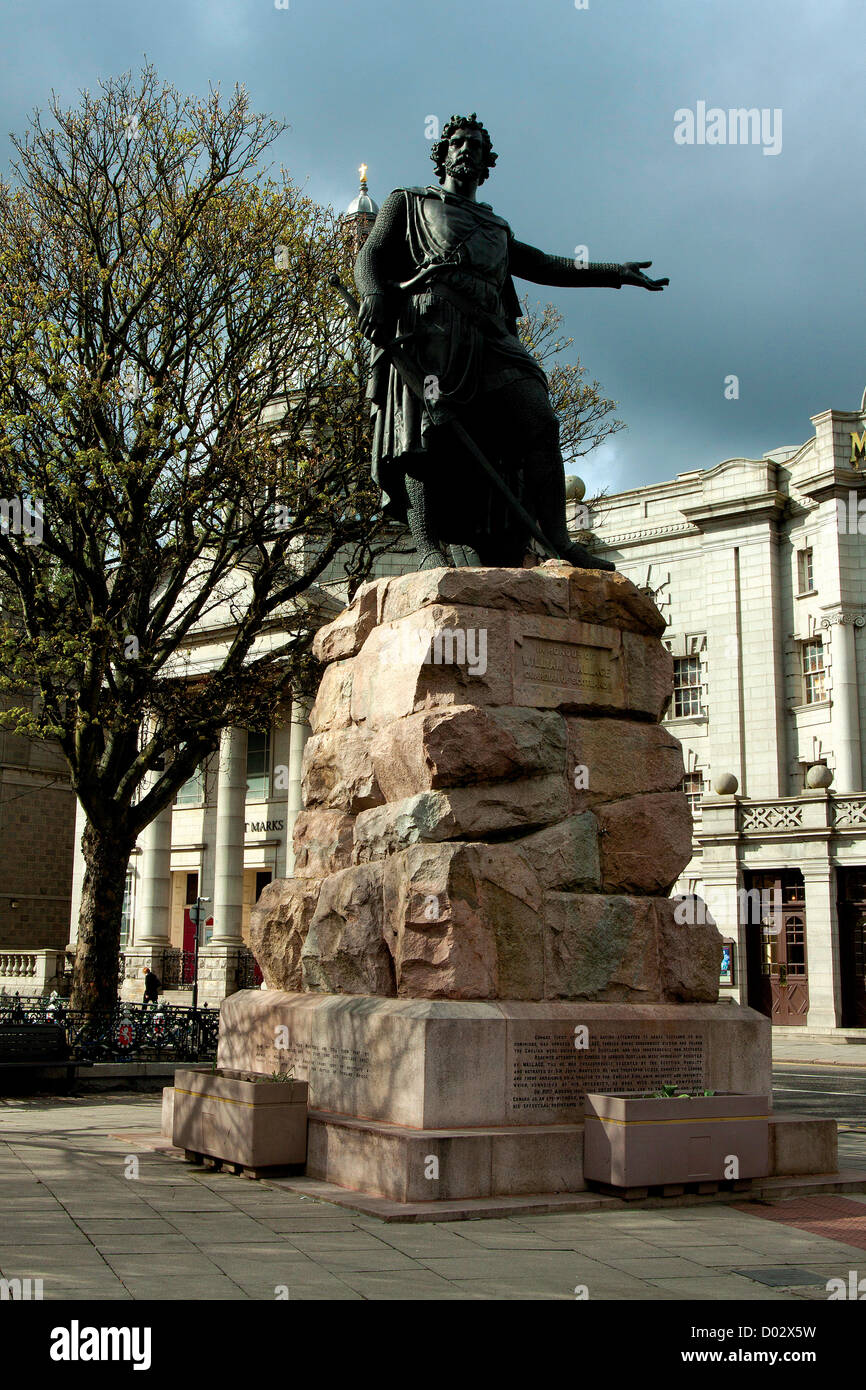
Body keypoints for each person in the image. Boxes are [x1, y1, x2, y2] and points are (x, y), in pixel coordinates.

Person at [354, 113, 668, 569]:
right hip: (431, 327)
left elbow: (544, 265)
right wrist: (374, 295)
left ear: (486, 164)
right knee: (429, 433)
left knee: (538, 420)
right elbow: (370, 256)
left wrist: (613, 272)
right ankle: (427, 546)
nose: (467, 151)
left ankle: (559, 540)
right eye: (458, 143)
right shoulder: (408, 202)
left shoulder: (495, 228)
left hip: (489, 335)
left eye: (476, 147)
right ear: (442, 154)